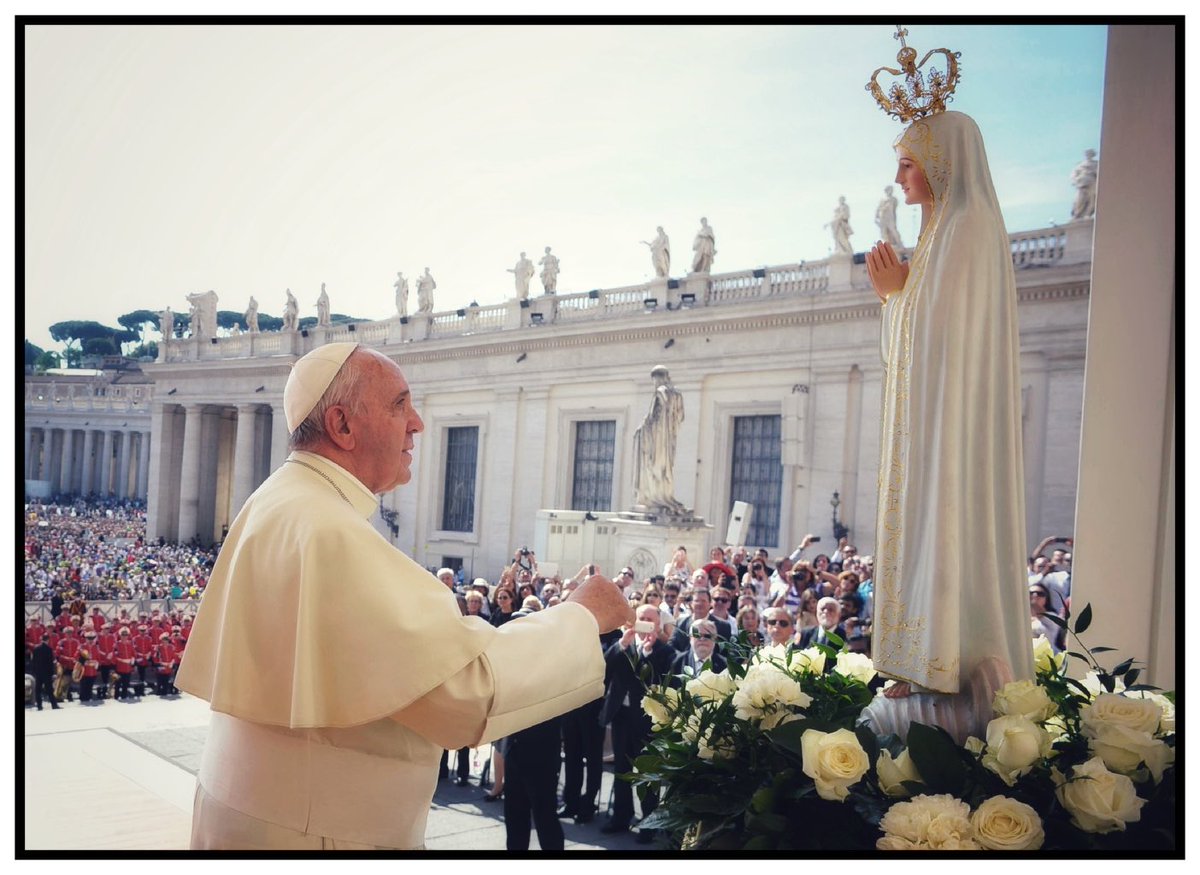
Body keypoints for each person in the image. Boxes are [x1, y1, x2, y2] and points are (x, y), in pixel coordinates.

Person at [174, 341, 632, 850]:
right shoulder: (327, 528)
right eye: (399, 405)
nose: (417, 423)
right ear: (342, 425)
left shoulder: (282, 501)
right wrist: (581, 618)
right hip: (314, 833)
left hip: (264, 812)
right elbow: (462, 695)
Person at [863, 110, 1033, 742]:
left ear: (943, 161)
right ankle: (919, 661)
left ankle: (943, 662)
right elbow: (919, 333)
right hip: (931, 425)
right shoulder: (941, 230)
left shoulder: (968, 226)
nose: (899, 175)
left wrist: (897, 295)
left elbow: (945, 339)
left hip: (949, 430)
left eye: (908, 161)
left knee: (945, 520)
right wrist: (899, 296)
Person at [601, 604, 675, 842]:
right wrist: (623, 643)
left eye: (649, 619)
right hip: (622, 717)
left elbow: (662, 680)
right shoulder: (625, 642)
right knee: (621, 771)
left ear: (658, 623)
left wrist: (648, 652)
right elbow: (606, 668)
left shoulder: (664, 650)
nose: (644, 622)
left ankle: (649, 824)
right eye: (641, 618)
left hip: (646, 722)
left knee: (647, 774)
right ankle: (620, 817)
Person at [632, 366, 687, 515]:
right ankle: (665, 496)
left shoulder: (660, 393)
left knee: (654, 467)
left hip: (657, 439)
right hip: (670, 440)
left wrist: (640, 430)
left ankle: (654, 497)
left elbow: (652, 418)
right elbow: (681, 417)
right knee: (666, 469)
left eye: (654, 380)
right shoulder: (677, 394)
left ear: (657, 378)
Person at [31, 634, 60, 710]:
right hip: (46, 672)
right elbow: (50, 662)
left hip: (38, 672)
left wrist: (34, 671)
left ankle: (39, 706)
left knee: (38, 690)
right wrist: (52, 673)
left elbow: (33, 661)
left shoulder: (36, 648)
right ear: (47, 640)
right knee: (49, 689)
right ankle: (54, 705)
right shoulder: (49, 649)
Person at [1070, 148, 1098, 220]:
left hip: (1092, 183)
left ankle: (1088, 214)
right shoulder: (1080, 165)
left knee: (1092, 199)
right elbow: (1074, 174)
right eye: (1088, 153)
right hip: (1082, 182)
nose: (1089, 155)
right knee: (1080, 199)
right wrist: (1075, 180)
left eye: (1090, 153)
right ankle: (1077, 214)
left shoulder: (1096, 164)